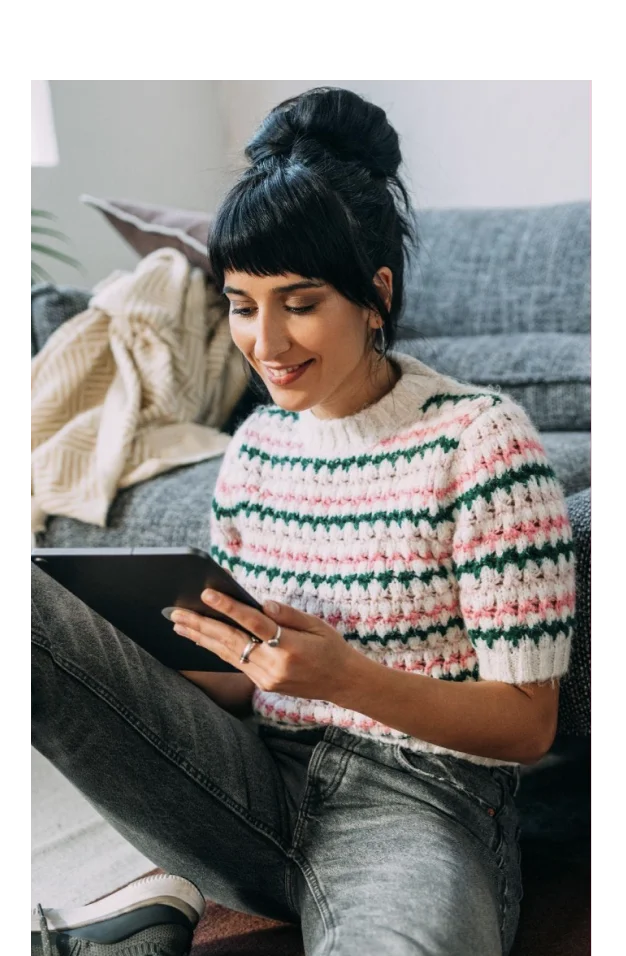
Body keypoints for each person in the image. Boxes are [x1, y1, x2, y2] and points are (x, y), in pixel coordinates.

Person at [29, 87, 575, 956]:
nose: (267, 341)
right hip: (249, 783)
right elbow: (246, 691)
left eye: (301, 300)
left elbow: (527, 722)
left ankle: (124, 931)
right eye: (243, 304)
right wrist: (151, 657)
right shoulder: (254, 452)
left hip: (422, 801)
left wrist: (343, 677)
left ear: (375, 295)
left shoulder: (482, 441)